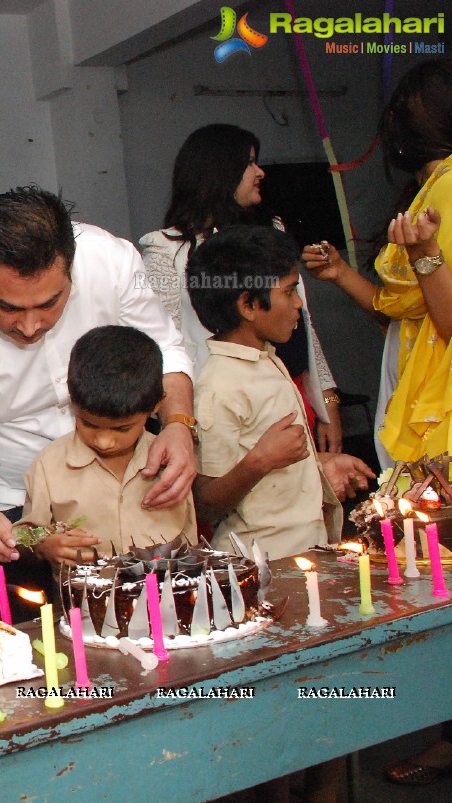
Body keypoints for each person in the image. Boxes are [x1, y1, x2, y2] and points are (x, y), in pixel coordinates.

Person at [299, 58, 452, 788]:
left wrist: (423, 254)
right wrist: (339, 275)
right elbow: (402, 304)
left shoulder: (450, 187)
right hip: (422, 414)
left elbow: (448, 317)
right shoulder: (431, 188)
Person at [0, 186, 196, 585]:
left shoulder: (111, 261)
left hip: (130, 483)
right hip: (14, 501)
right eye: (9, 308)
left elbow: (164, 348)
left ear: (72, 267)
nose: (30, 327)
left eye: (49, 304)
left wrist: (179, 425)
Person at [141, 124, 343, 451]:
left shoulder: (271, 230)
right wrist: (180, 421)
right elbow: (167, 347)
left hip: (289, 391)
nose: (260, 171)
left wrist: (328, 399)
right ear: (219, 171)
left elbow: (302, 321)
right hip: (223, 409)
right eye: (249, 162)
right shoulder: (166, 250)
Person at [187, 226, 373, 558]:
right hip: (265, 564)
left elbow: (272, 459)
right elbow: (206, 502)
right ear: (248, 305)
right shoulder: (220, 387)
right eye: (289, 292)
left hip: (304, 551)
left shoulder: (266, 359)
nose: (299, 303)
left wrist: (322, 464)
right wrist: (261, 461)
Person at [20, 325, 198, 563]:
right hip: (85, 596)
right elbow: (22, 535)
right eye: (89, 424)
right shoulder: (49, 465)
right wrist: (43, 544)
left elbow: (190, 539)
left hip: (169, 593)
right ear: (72, 402)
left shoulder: (172, 461)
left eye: (122, 428)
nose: (104, 441)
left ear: (156, 406)